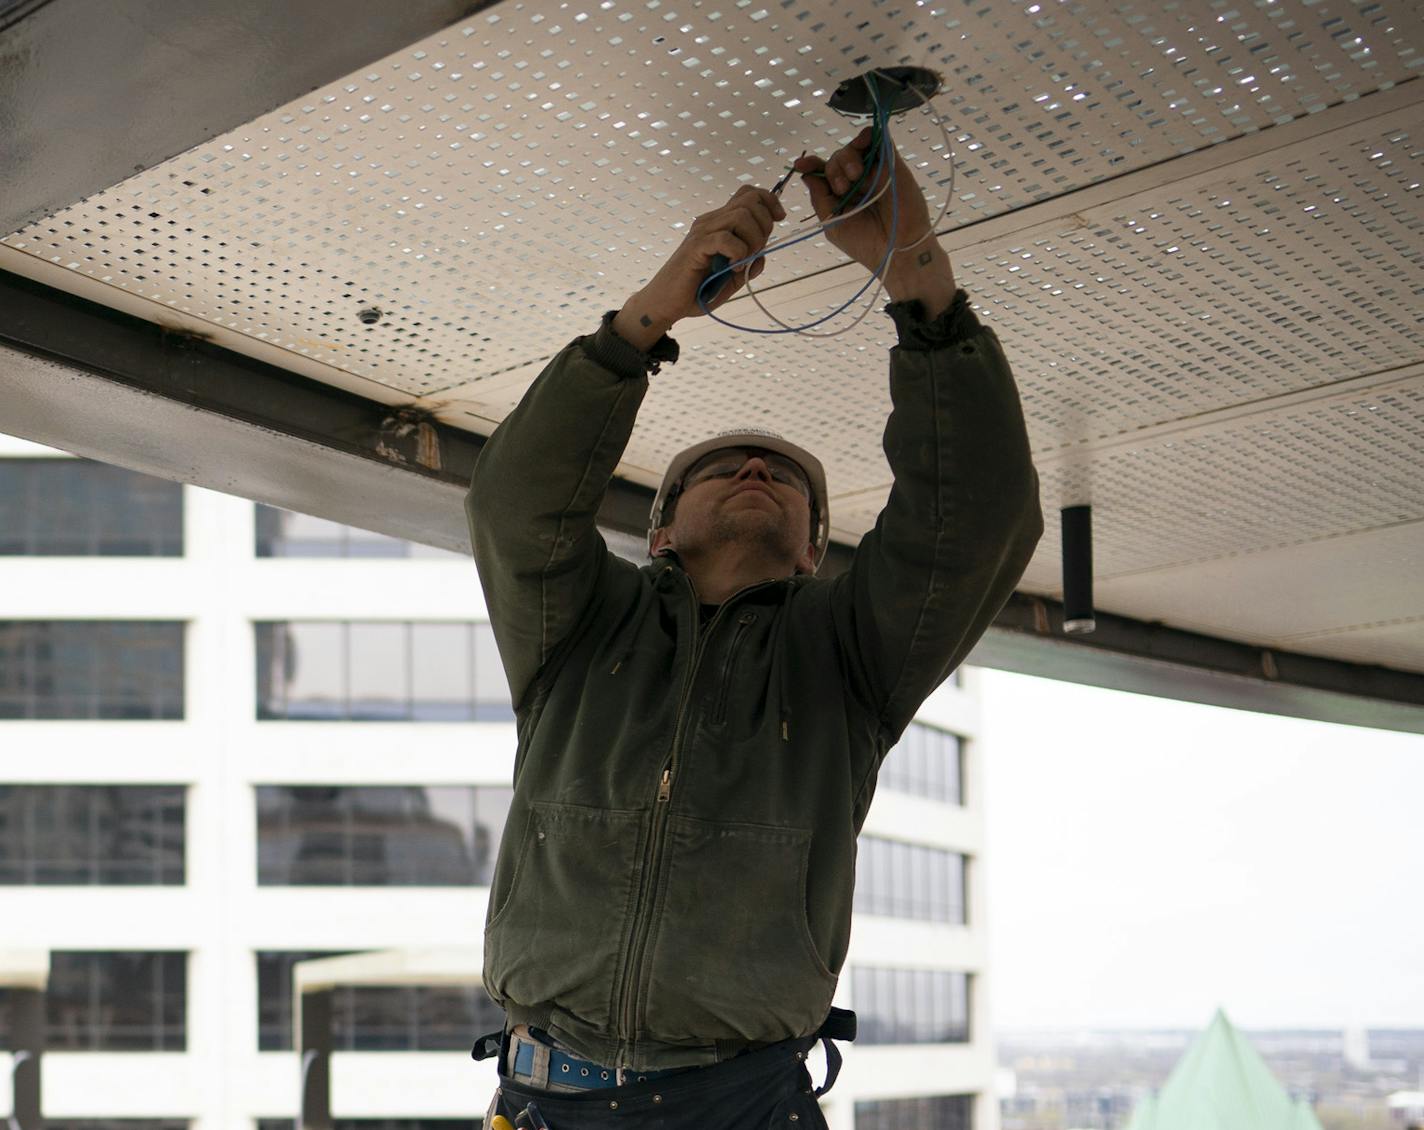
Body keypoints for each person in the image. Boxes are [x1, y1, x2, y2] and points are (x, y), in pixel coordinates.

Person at [466, 125, 1042, 1129]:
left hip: (739, 1103)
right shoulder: (576, 631)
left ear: (815, 549)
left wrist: (917, 278)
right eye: (718, 468)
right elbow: (515, 502)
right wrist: (648, 316)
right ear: (657, 528)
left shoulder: (848, 659)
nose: (753, 470)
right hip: (545, 1099)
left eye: (784, 479)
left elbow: (975, 516)